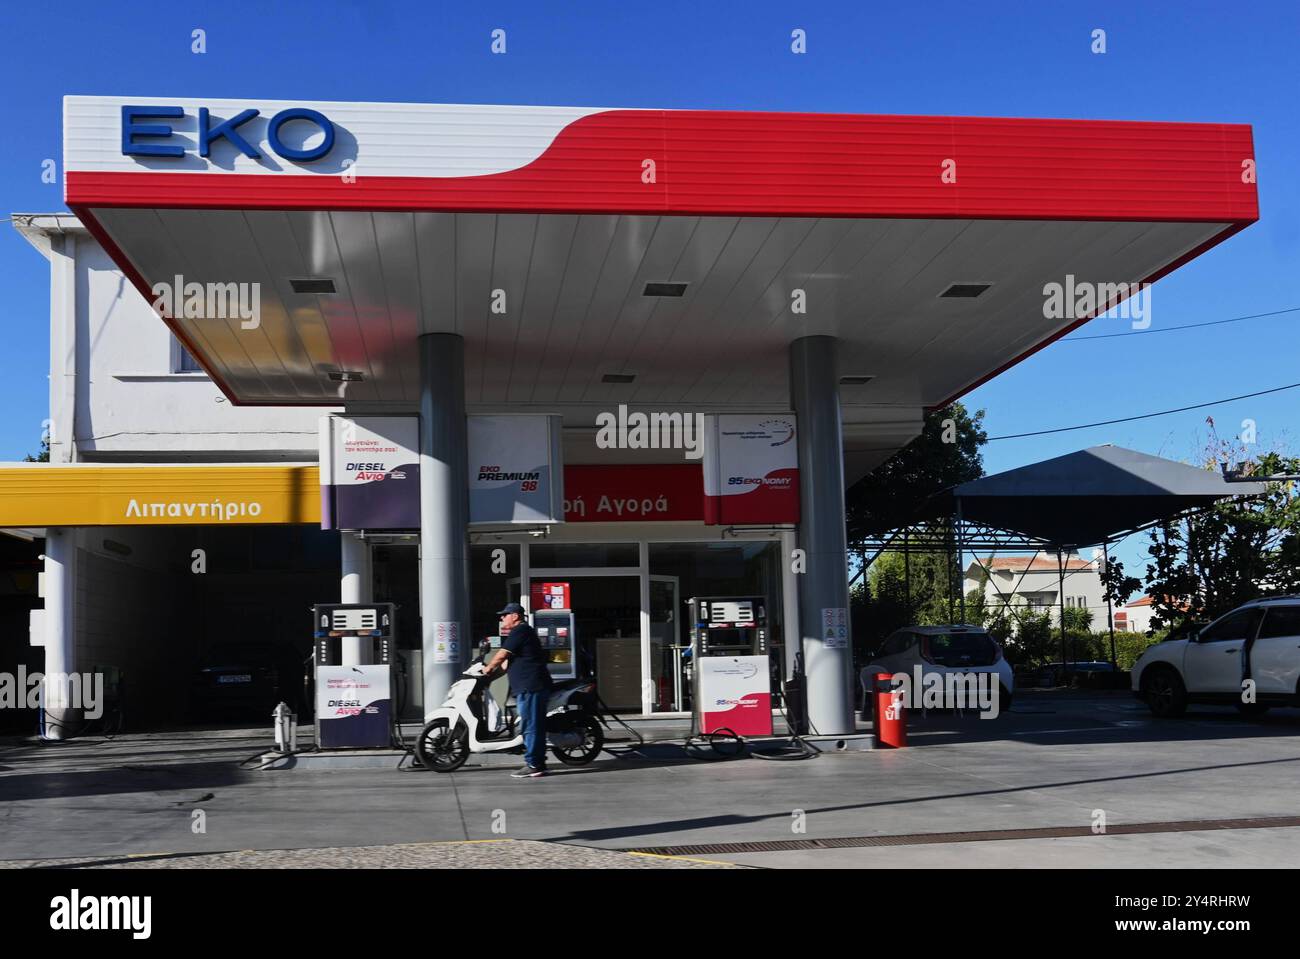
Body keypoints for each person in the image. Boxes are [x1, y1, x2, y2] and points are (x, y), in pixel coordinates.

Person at [483, 602, 553, 778]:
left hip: (531, 686)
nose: (502, 618)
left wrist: (488, 667)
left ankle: (535, 764)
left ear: (515, 616)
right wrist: (488, 678)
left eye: (505, 615)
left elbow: (501, 655)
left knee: (531, 726)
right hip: (527, 687)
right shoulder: (520, 633)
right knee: (529, 725)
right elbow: (506, 665)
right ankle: (536, 762)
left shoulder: (520, 631)